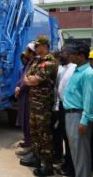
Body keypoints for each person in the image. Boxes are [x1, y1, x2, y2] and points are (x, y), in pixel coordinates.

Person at [20, 35, 58, 176]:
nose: (34, 48)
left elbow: (34, 80)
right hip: (34, 103)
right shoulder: (36, 61)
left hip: (43, 105)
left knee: (44, 135)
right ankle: (36, 158)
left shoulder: (50, 63)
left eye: (37, 46)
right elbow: (26, 77)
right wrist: (31, 80)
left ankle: (48, 166)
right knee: (34, 132)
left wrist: (31, 80)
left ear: (44, 46)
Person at [63, 42, 93, 177]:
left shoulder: (88, 74)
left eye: (73, 53)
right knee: (75, 151)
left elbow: (89, 99)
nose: (70, 55)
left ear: (81, 56)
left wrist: (84, 121)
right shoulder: (76, 70)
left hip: (78, 116)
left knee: (81, 153)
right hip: (70, 115)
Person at [53, 44, 76, 176]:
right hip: (62, 106)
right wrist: (57, 106)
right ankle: (66, 162)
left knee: (69, 139)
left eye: (62, 52)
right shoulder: (65, 68)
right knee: (65, 137)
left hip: (69, 107)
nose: (60, 54)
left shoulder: (73, 69)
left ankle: (71, 167)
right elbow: (59, 89)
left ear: (67, 53)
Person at [14, 44, 35, 156]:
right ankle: (28, 144)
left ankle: (31, 147)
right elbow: (22, 79)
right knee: (23, 120)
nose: (23, 57)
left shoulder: (34, 65)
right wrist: (17, 87)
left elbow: (27, 81)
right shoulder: (27, 66)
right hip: (22, 95)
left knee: (28, 122)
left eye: (26, 53)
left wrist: (20, 90)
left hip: (27, 96)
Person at [49, 50, 64, 164]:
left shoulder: (60, 71)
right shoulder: (56, 70)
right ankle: (56, 153)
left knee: (57, 133)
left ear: (58, 60)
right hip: (53, 106)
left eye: (51, 59)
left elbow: (59, 91)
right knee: (54, 132)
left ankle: (58, 156)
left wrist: (57, 107)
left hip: (57, 107)